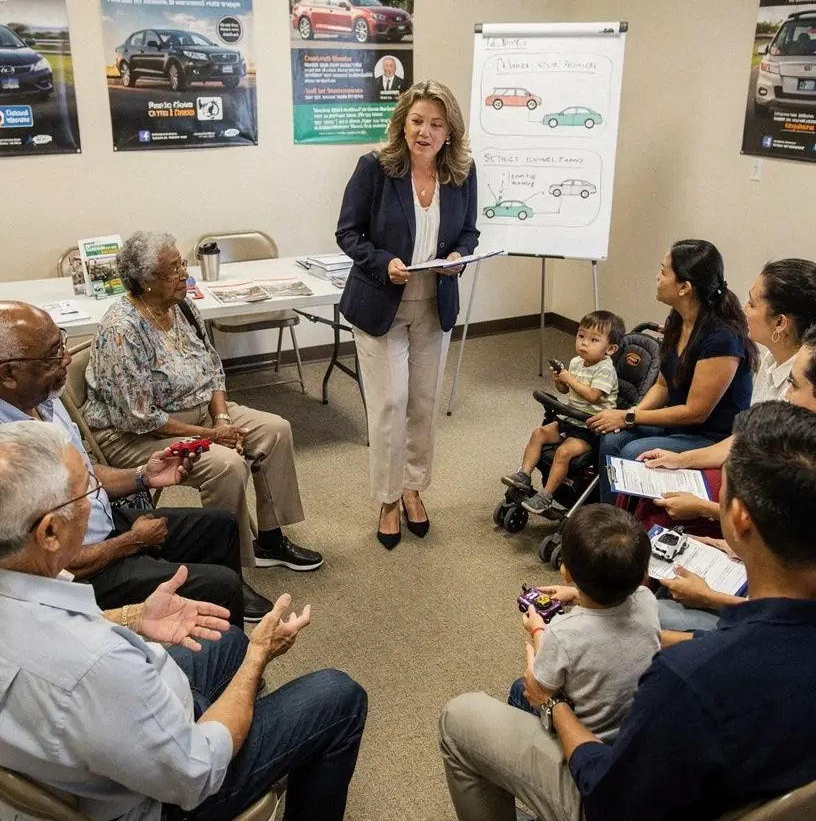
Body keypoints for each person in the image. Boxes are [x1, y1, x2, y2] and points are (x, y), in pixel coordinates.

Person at [429, 401, 816, 821]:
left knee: (465, 716)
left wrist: (551, 702)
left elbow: (606, 792)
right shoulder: (724, 656)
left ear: (740, 516)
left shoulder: (689, 681)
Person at [0, 421, 376, 821]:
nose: (93, 501)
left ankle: (255, 774)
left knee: (226, 638)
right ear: (47, 532)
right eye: (84, 491)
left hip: (58, 798)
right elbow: (196, 772)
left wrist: (134, 618)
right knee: (337, 696)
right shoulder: (95, 665)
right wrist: (257, 663)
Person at [0, 300, 268, 629]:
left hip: (101, 522)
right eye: (53, 353)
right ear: (9, 374)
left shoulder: (42, 399)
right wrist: (131, 543)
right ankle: (227, 672)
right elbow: (55, 560)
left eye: (63, 343)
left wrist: (143, 476)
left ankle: (222, 655)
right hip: (82, 572)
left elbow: (83, 473)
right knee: (221, 586)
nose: (67, 359)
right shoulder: (9, 454)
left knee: (222, 527)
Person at [83, 233, 322, 572]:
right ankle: (228, 567)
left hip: (200, 415)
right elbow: (139, 418)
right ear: (146, 280)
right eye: (172, 269)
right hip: (136, 436)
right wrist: (210, 436)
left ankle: (270, 540)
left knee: (275, 431)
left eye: (182, 263)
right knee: (225, 464)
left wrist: (221, 420)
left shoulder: (182, 306)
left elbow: (213, 368)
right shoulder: (123, 329)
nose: (184, 273)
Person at [336, 79, 478, 548]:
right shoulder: (374, 169)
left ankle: (414, 489)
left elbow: (469, 232)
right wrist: (383, 262)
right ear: (402, 123)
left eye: (436, 124)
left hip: (434, 304)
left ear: (449, 131)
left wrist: (459, 255)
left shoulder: (462, 172)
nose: (425, 131)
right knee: (389, 405)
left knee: (423, 404)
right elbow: (348, 233)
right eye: (417, 121)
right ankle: (387, 499)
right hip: (381, 302)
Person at [658, 323, 816, 632]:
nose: (785, 394)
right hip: (772, 594)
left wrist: (710, 597)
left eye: (794, 385)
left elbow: (797, 621)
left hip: (776, 630)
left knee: (648, 618)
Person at [635, 257, 816, 525]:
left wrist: (704, 507)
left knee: (658, 507)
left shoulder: (803, 390)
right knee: (650, 484)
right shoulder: (768, 361)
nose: (744, 309)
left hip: (762, 504)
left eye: (753, 303)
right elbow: (744, 439)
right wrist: (681, 460)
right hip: (743, 475)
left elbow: (780, 512)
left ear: (780, 323)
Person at [590, 240, 755, 501]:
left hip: (711, 437)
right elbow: (663, 386)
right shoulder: (677, 319)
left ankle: (629, 529)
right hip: (678, 426)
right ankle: (609, 519)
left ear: (684, 288)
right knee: (612, 438)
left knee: (635, 452)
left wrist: (630, 418)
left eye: (664, 271)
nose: (658, 276)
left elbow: (695, 413)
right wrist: (628, 414)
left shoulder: (722, 338)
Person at [508, 506, 661, 742]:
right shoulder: (647, 598)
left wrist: (538, 630)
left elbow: (539, 683)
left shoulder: (562, 632)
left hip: (588, 735)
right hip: (633, 723)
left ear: (565, 571)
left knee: (519, 689)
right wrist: (577, 594)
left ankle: (529, 748)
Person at [502, 310, 624, 518]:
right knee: (539, 433)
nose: (584, 343)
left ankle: (546, 496)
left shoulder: (605, 370)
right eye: (581, 336)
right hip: (570, 419)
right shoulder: (576, 362)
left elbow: (593, 396)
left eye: (593, 340)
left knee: (563, 453)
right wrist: (560, 381)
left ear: (610, 348)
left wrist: (569, 379)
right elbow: (565, 391)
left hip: (591, 428)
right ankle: (524, 475)